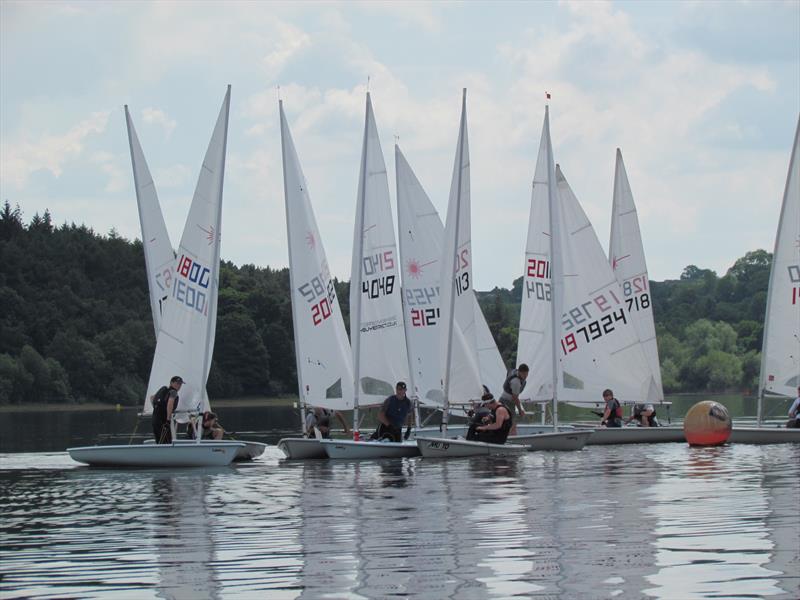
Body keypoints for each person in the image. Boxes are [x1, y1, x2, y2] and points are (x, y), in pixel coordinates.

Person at [150, 375, 183, 444]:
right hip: (163, 420)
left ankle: (160, 453)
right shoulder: (173, 392)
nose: (179, 385)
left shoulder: (163, 389)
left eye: (180, 384)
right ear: (171, 383)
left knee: (159, 440)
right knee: (167, 441)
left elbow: (152, 397)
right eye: (177, 383)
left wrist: (156, 408)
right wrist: (168, 420)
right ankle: (166, 454)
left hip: (155, 418)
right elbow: (170, 404)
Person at [499, 364, 529, 436]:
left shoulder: (514, 372)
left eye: (527, 374)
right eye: (524, 374)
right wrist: (520, 410)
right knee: (512, 423)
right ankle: (512, 438)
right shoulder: (516, 382)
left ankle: (508, 436)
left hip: (504, 400)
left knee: (510, 422)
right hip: (507, 402)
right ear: (519, 372)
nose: (525, 376)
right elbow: (515, 398)